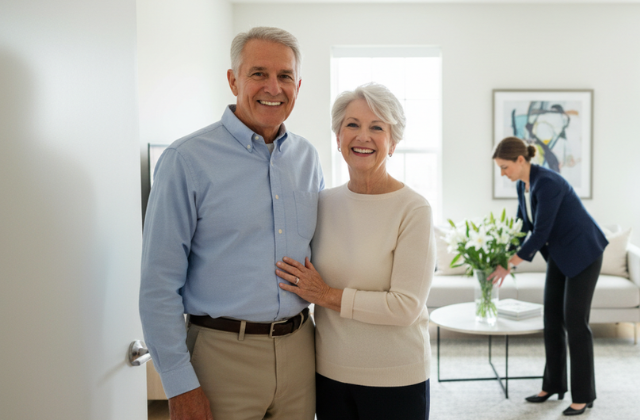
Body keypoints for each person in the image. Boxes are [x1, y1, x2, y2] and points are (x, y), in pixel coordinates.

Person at [139, 27, 322, 420]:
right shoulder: (185, 160)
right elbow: (158, 285)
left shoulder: (308, 159)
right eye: (258, 73)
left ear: (298, 84)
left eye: (285, 76)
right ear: (233, 79)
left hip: (300, 350)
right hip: (220, 357)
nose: (273, 87)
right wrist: (178, 384)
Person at [275, 83, 435, 420]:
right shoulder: (322, 203)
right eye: (352, 125)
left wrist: (327, 295)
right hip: (329, 373)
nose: (363, 136)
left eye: (377, 127)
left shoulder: (413, 209)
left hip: (396, 377)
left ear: (393, 143)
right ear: (337, 138)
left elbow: (405, 307)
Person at [488, 136, 608, 416]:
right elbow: (521, 228)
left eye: (505, 167)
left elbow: (540, 232)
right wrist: (501, 256)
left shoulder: (548, 182)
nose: (502, 174)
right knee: (552, 319)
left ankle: (583, 395)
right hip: (560, 255)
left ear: (521, 160)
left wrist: (510, 265)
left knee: (575, 322)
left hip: (585, 253)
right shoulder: (523, 185)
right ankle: (553, 385)